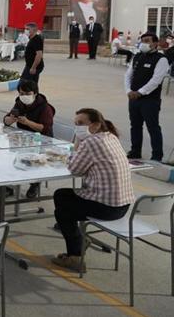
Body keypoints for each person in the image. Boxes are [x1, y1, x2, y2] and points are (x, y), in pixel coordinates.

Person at [51, 108, 134, 271]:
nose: (77, 128)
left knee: (61, 204)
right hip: (123, 207)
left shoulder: (91, 142)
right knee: (64, 199)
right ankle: (78, 240)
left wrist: (77, 144)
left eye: (81, 124)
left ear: (95, 125)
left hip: (106, 208)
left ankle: (75, 255)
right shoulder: (111, 136)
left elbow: (75, 169)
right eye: (75, 124)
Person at [3, 79, 56, 198]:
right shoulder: (19, 103)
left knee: (32, 159)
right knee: (10, 156)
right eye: (21, 94)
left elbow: (44, 128)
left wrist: (27, 122)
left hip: (42, 141)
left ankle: (34, 184)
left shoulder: (45, 107)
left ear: (35, 94)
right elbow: (6, 119)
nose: (24, 96)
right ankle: (10, 184)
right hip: (23, 139)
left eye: (27, 94)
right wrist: (10, 120)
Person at [125, 32, 169, 162]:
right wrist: (128, 90)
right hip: (133, 98)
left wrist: (140, 92)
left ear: (155, 43)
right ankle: (135, 151)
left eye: (147, 41)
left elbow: (156, 80)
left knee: (153, 127)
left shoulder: (161, 59)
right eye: (143, 40)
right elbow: (128, 75)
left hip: (150, 100)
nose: (144, 43)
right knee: (135, 126)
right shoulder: (137, 57)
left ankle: (157, 155)